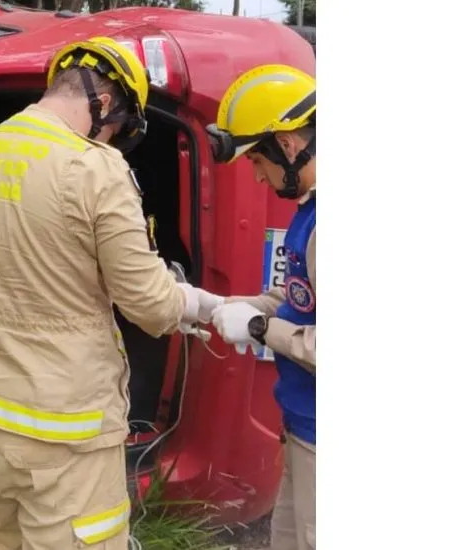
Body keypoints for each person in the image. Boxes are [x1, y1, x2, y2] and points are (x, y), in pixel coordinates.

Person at [0, 37, 222, 549]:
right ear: (104, 102)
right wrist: (202, 303)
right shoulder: (95, 168)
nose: (113, 139)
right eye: (118, 127)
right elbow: (149, 302)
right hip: (66, 429)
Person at [204, 64, 317, 550]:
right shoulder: (310, 212)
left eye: (257, 159)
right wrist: (214, 304)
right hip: (302, 425)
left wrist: (255, 326)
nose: (255, 173)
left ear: (287, 145)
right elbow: (298, 300)